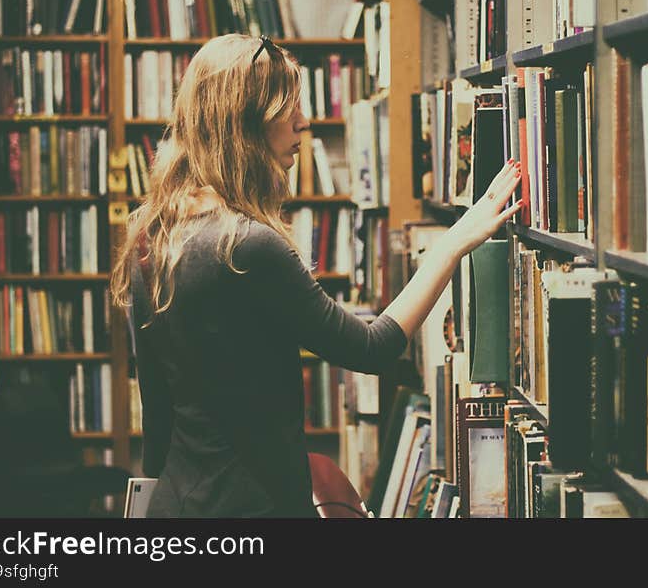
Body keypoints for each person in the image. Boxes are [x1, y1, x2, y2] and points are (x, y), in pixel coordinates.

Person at [110, 34, 522, 518]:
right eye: (289, 108)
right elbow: (371, 348)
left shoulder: (153, 239)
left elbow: (158, 413)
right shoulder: (248, 247)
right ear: (244, 123)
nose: (303, 122)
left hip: (176, 507)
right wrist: (453, 243)